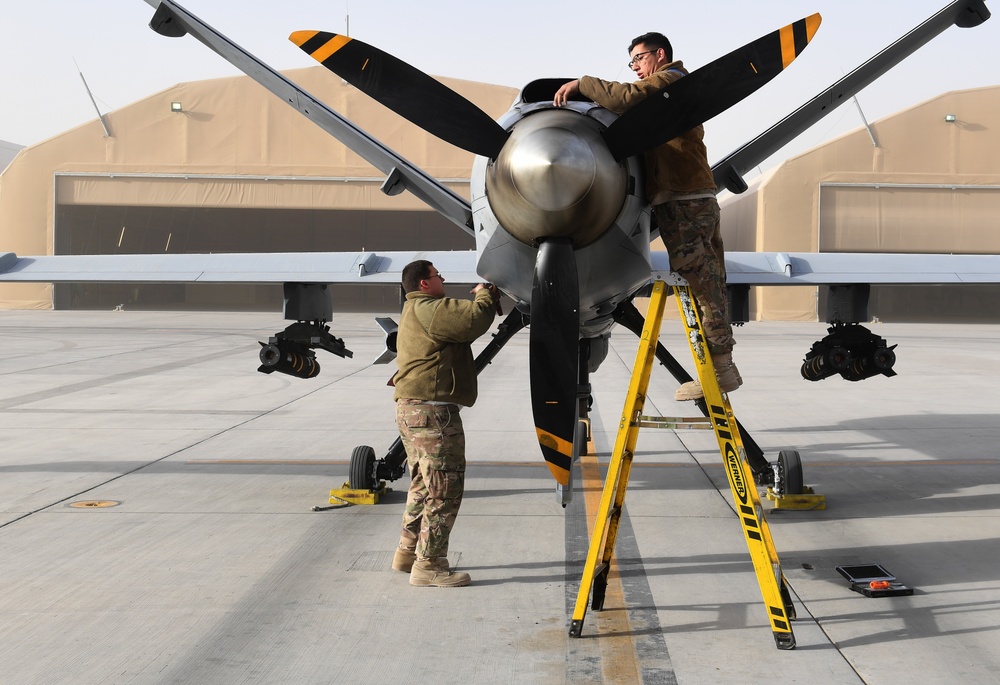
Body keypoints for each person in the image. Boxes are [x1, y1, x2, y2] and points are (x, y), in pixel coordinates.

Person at [554, 32, 741, 400]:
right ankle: (722, 366)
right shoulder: (669, 89)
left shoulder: (670, 81)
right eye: (632, 63)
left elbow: (627, 98)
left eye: (638, 59)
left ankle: (719, 371)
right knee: (708, 279)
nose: (636, 68)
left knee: (700, 282)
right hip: (692, 196)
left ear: (660, 55)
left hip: (684, 199)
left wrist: (583, 84)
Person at [390, 260, 499, 587]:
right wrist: (485, 296)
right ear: (424, 284)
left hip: (411, 411)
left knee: (423, 485)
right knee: (444, 489)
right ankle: (430, 566)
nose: (443, 279)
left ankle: (408, 553)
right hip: (432, 415)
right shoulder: (430, 309)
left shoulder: (414, 310)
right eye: (437, 275)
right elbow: (472, 321)